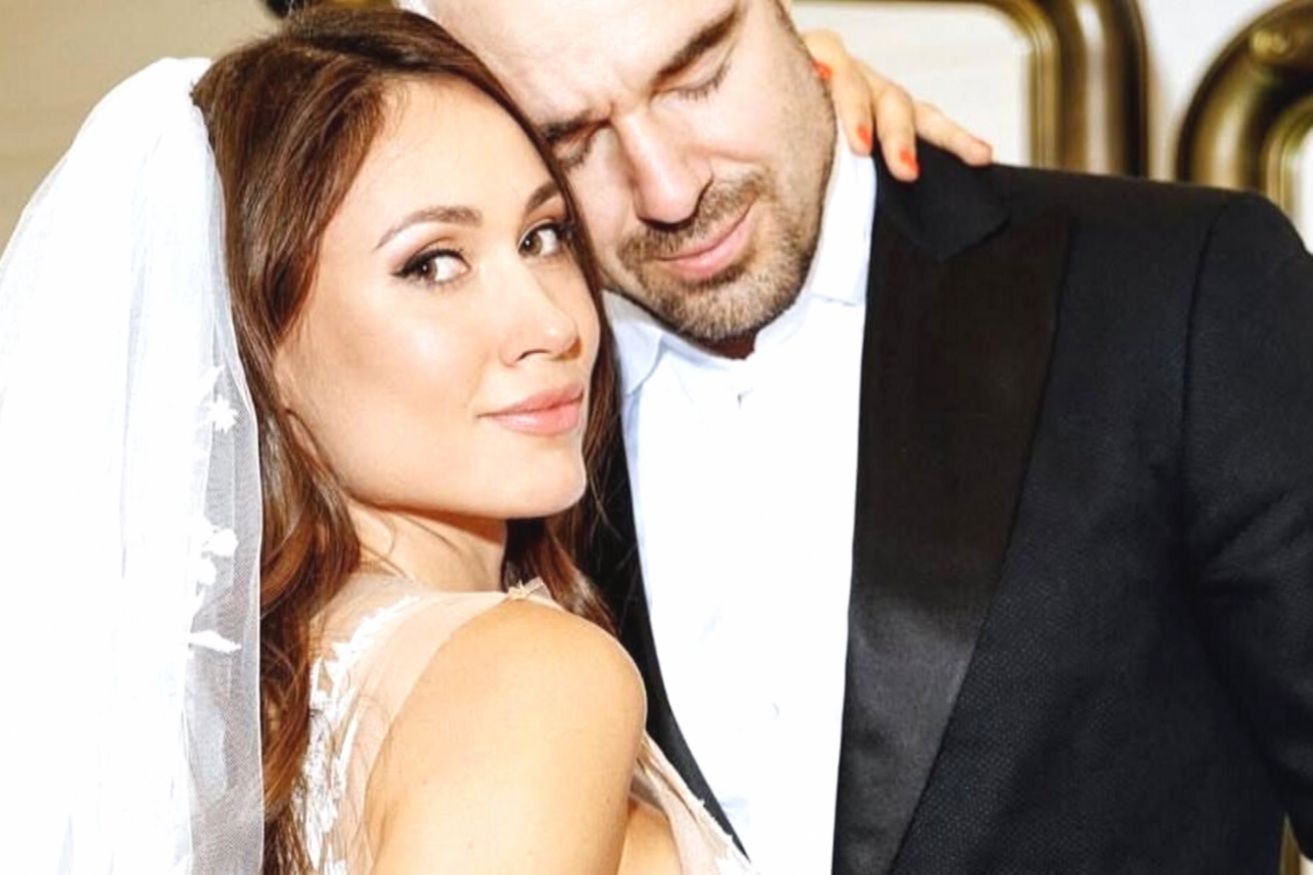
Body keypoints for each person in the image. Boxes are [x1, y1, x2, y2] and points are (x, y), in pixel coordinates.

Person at [0, 6, 985, 874]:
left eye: (542, 235)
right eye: (432, 263)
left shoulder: (247, 705)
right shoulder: (526, 678)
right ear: (259, 342)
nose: (551, 323)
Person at [355, 0, 1313, 872]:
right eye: (570, 139)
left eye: (698, 75)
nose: (668, 188)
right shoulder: (483, 431)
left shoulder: (1174, 286)